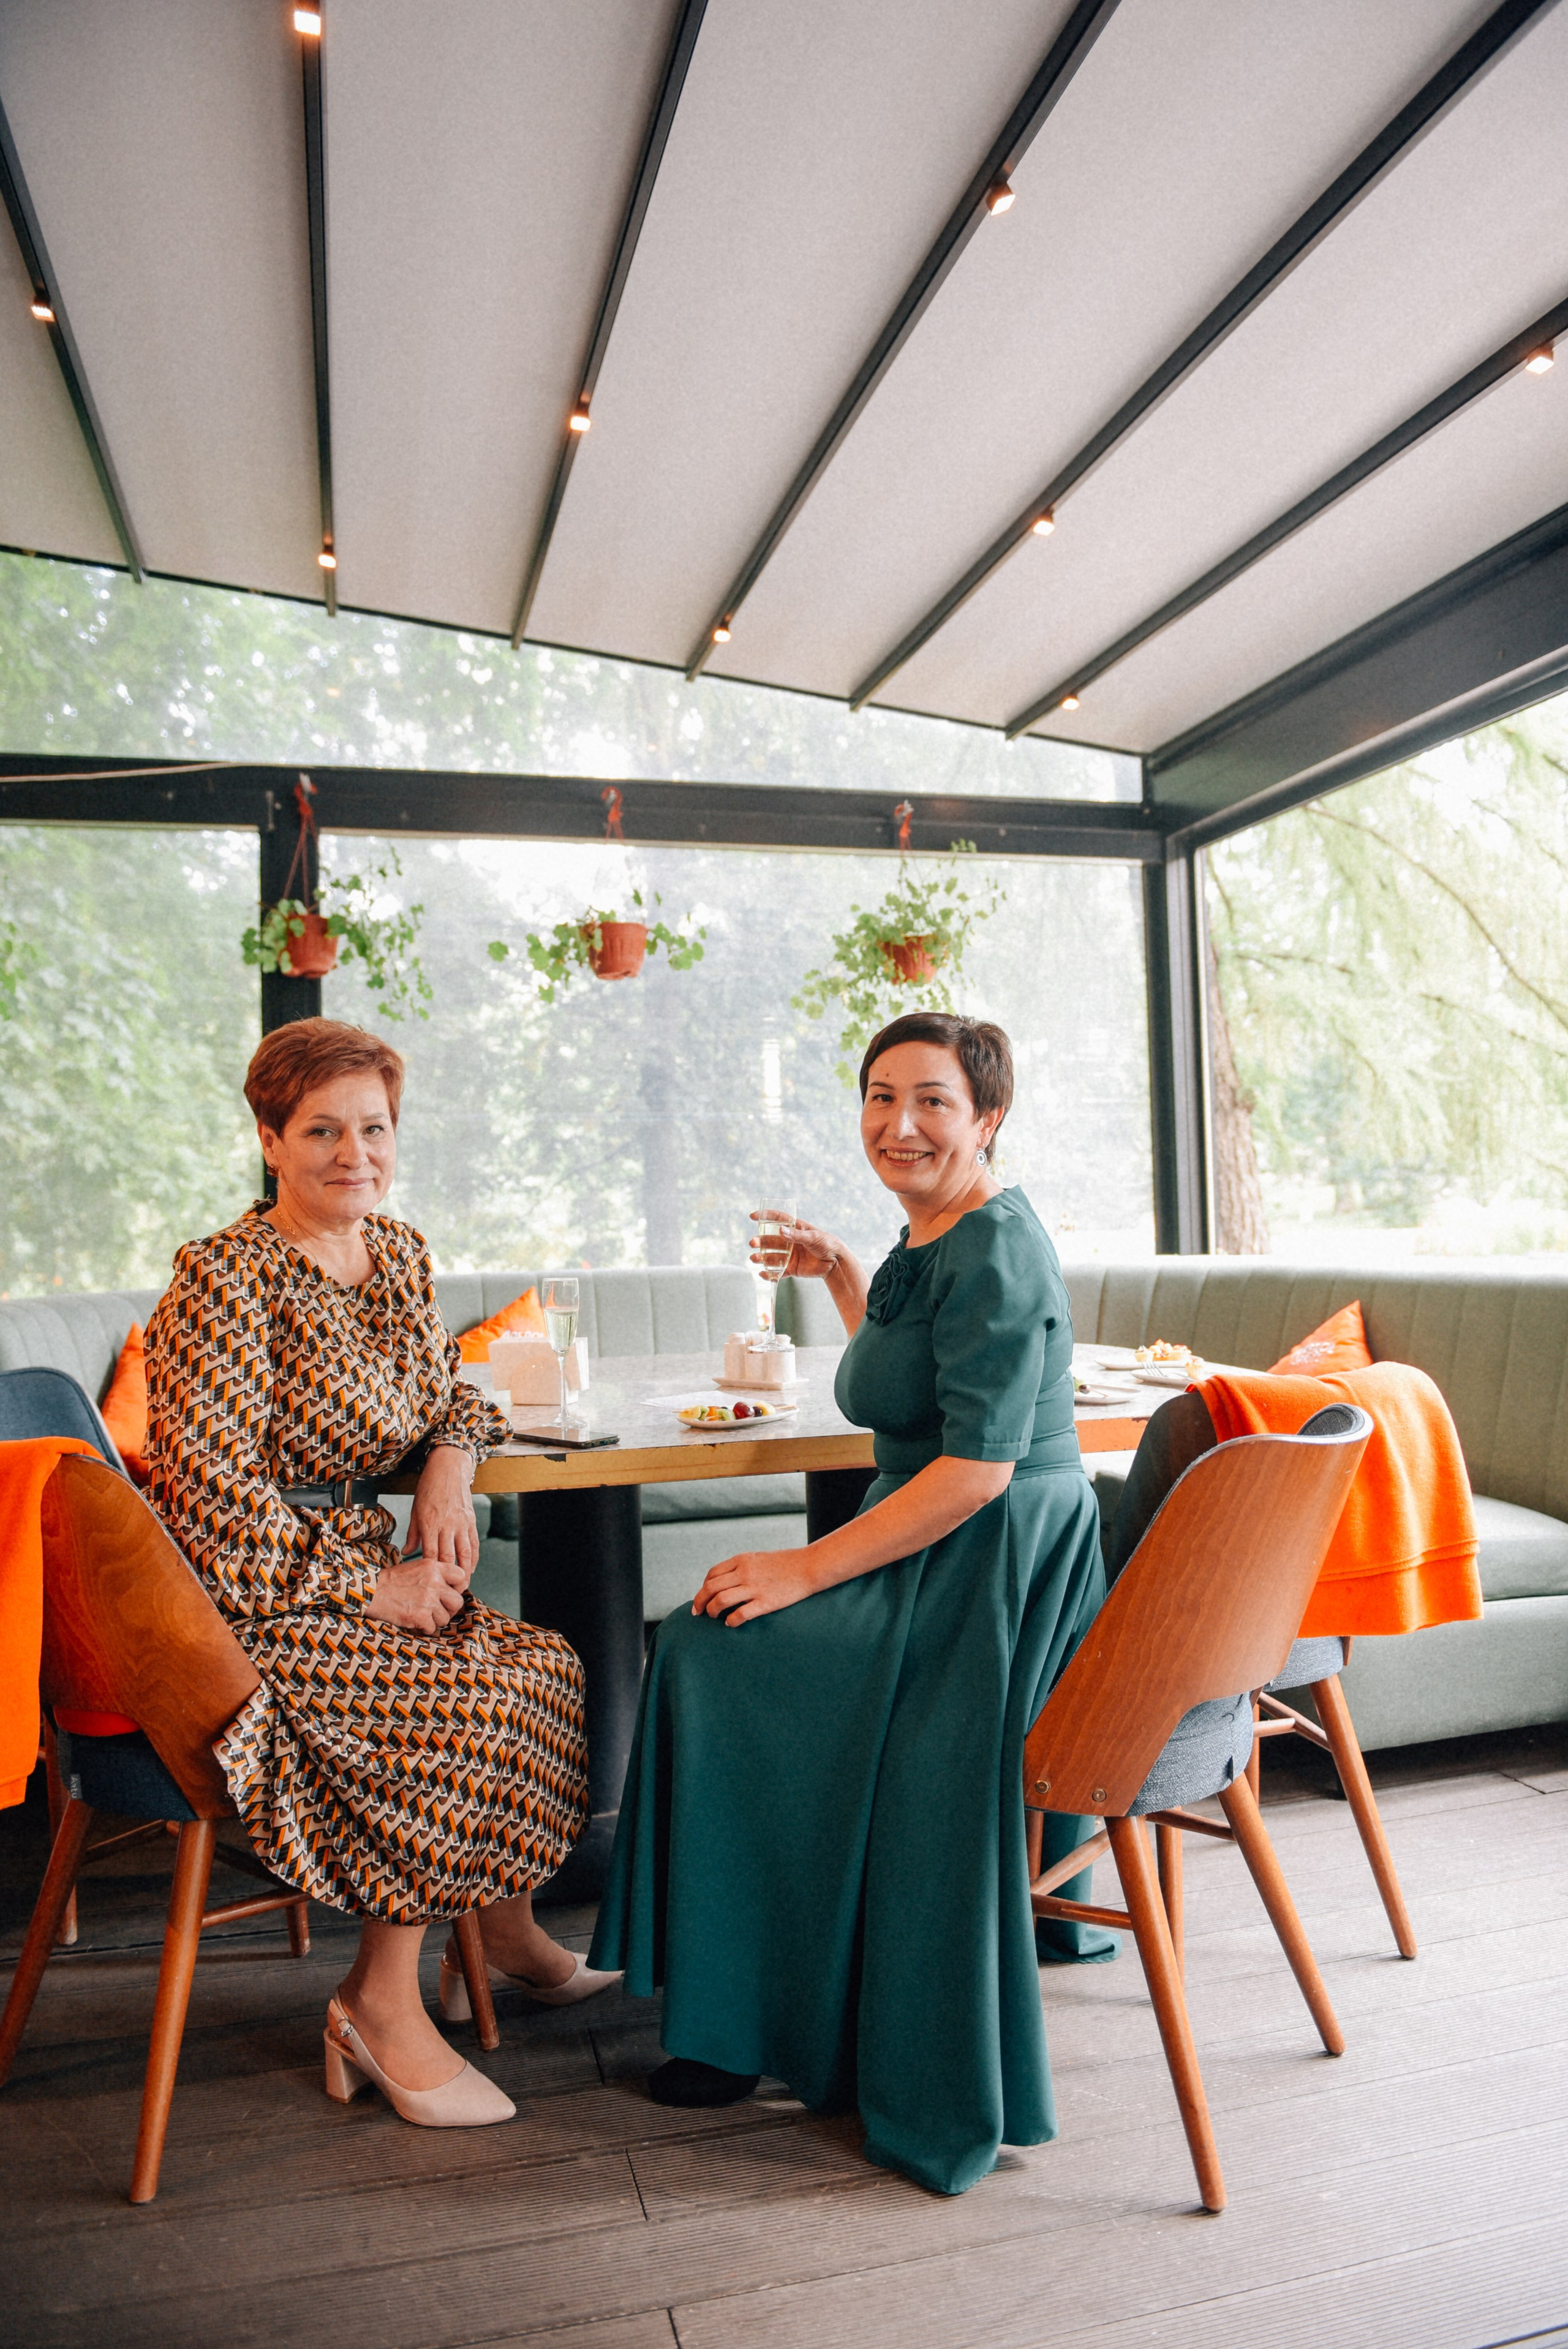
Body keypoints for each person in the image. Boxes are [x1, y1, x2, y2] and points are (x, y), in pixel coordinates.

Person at [589, 1010, 1115, 2195]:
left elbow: (977, 1471)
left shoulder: (991, 1248)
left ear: (988, 1118)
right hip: (950, 1542)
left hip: (985, 1566)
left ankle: (746, 2024)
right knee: (710, 1644)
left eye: (932, 1100)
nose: (901, 1122)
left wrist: (806, 1567)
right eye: (881, 1097)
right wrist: (839, 1269)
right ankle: (754, 2001)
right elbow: (912, 1380)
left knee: (715, 1649)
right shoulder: (935, 1235)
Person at [145, 1017, 617, 2130]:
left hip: (370, 1566)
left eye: (375, 1128)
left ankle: (498, 1932)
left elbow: (458, 1392)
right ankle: (375, 2003)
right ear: (270, 1140)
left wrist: (447, 1473)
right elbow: (209, 1510)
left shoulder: (394, 1253)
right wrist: (371, 1588)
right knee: (451, 1702)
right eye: (322, 1130)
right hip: (252, 1602)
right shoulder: (224, 1282)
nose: (354, 1153)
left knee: (540, 1665)